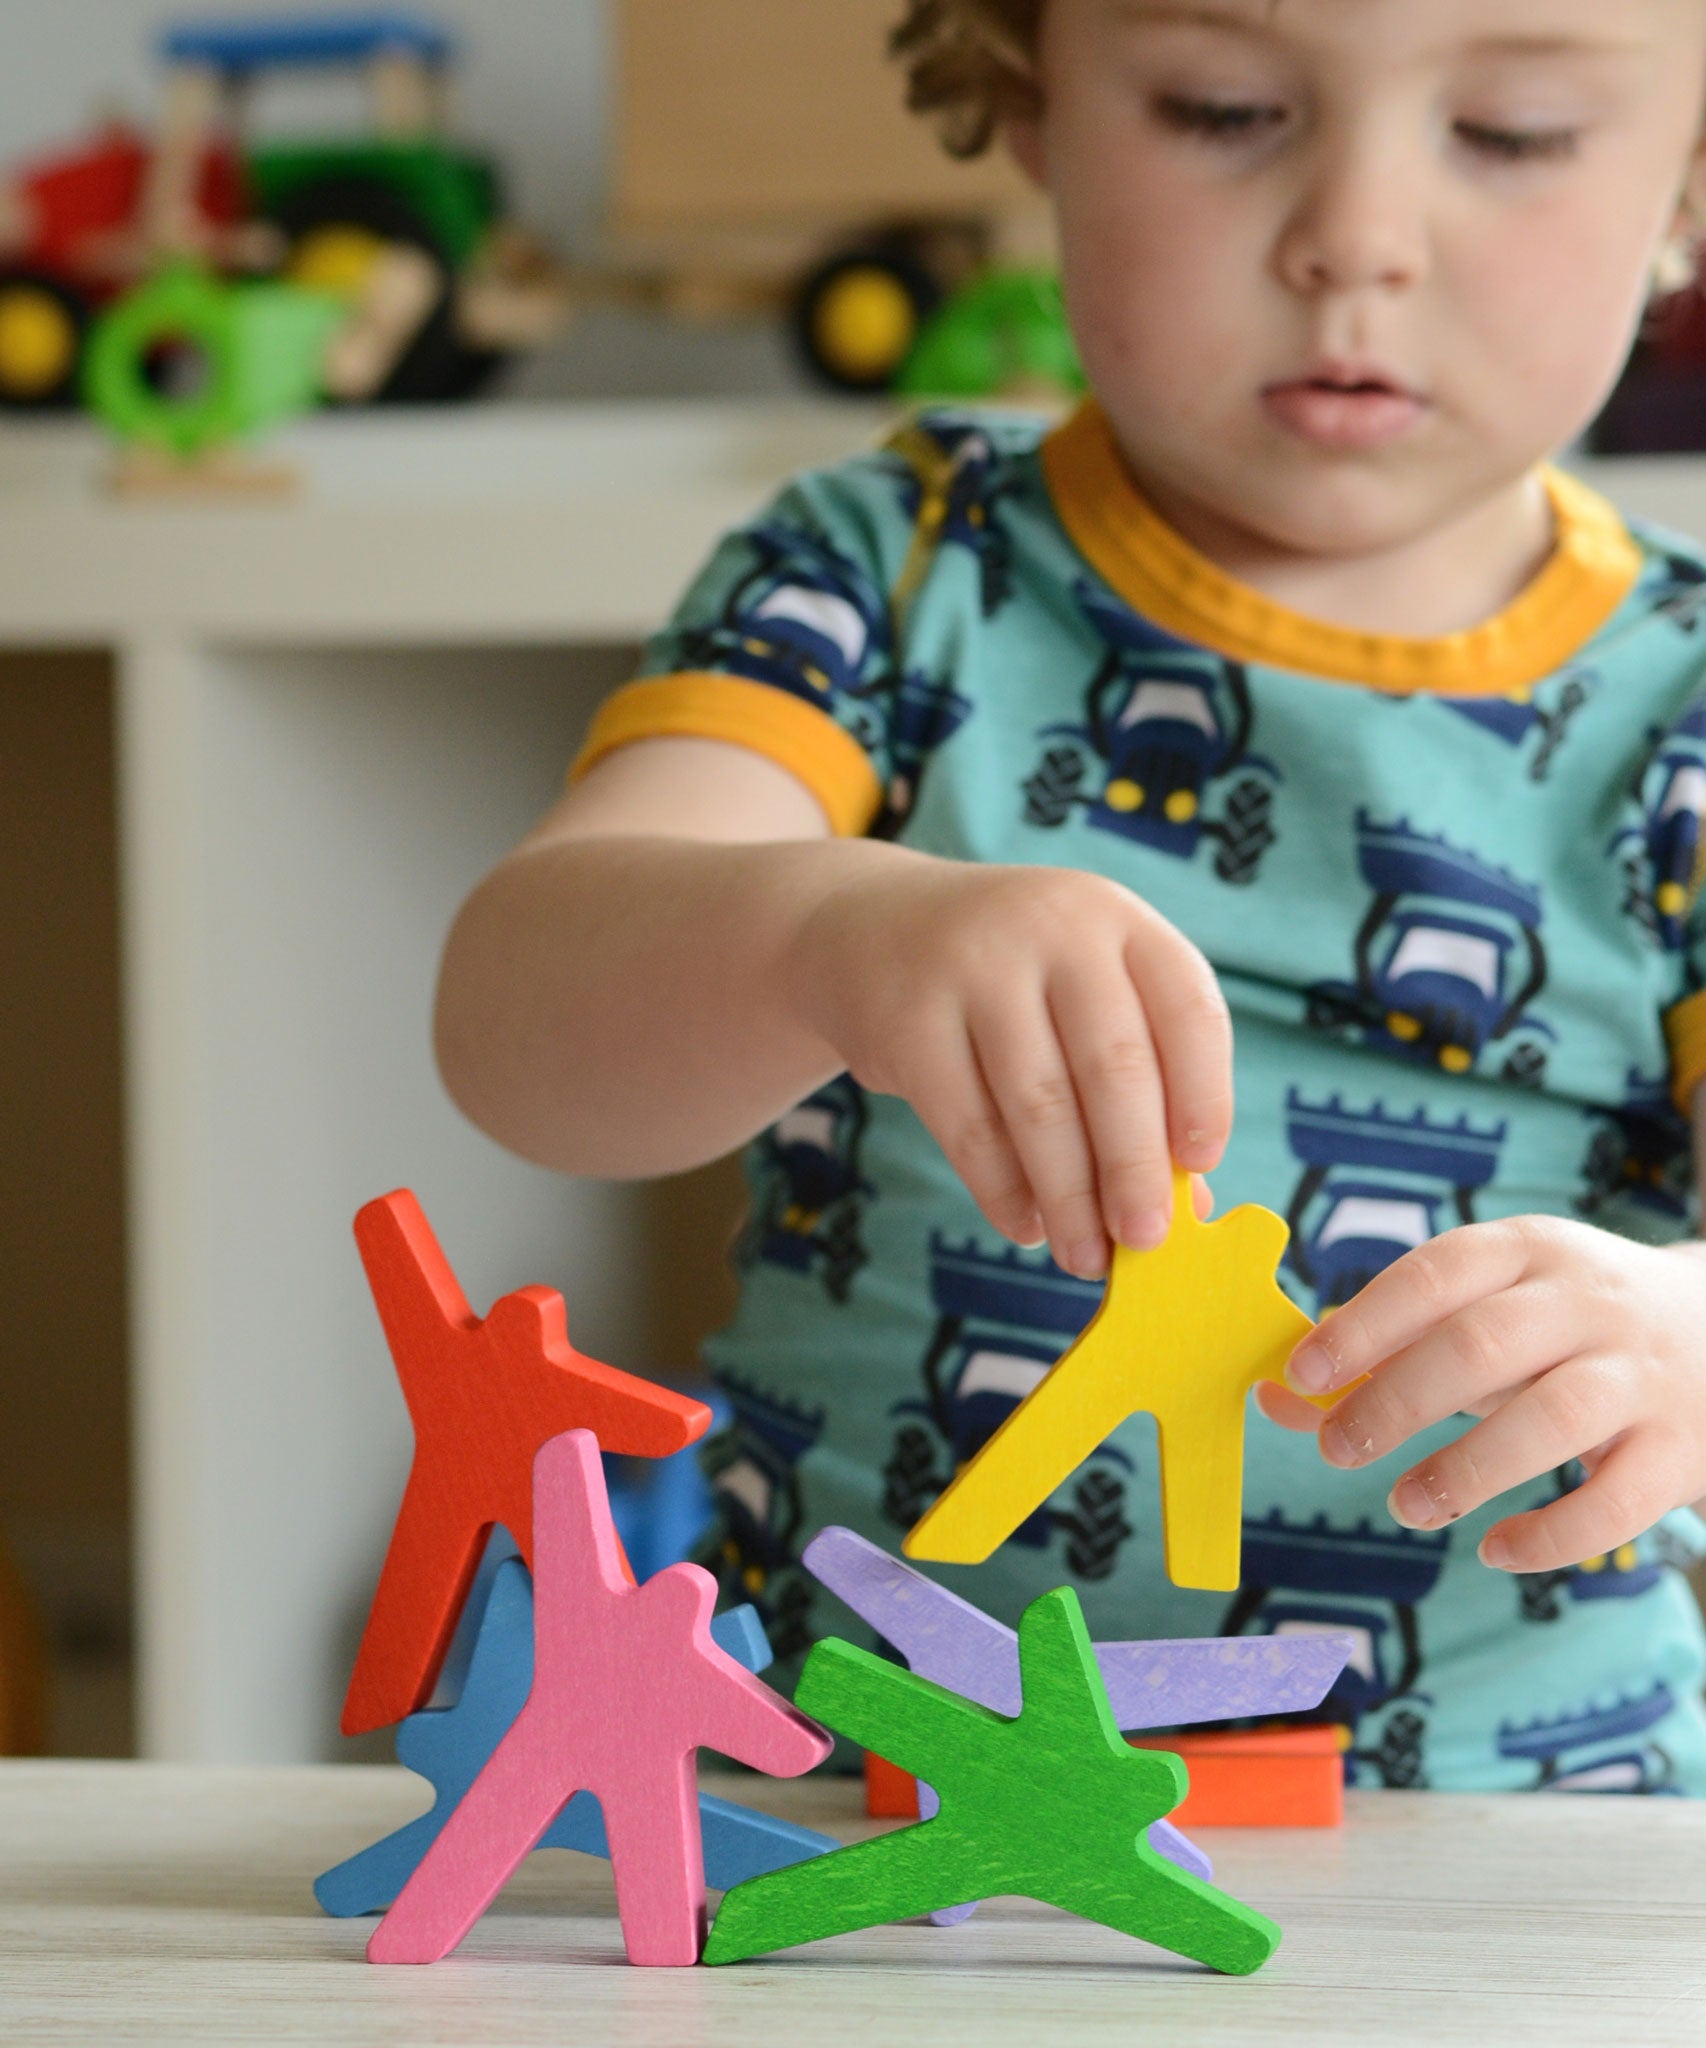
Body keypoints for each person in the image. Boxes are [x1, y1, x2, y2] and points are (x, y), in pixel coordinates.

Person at [434, 0, 1706, 1792]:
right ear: (1030, 99)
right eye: (1224, 106)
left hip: (1512, 1828)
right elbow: (510, 1031)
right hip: (861, 1790)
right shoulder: (888, 574)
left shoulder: (1681, 705)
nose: (1357, 233)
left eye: (1507, 131)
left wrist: (1680, 1333)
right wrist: (818, 929)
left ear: (1687, 178)